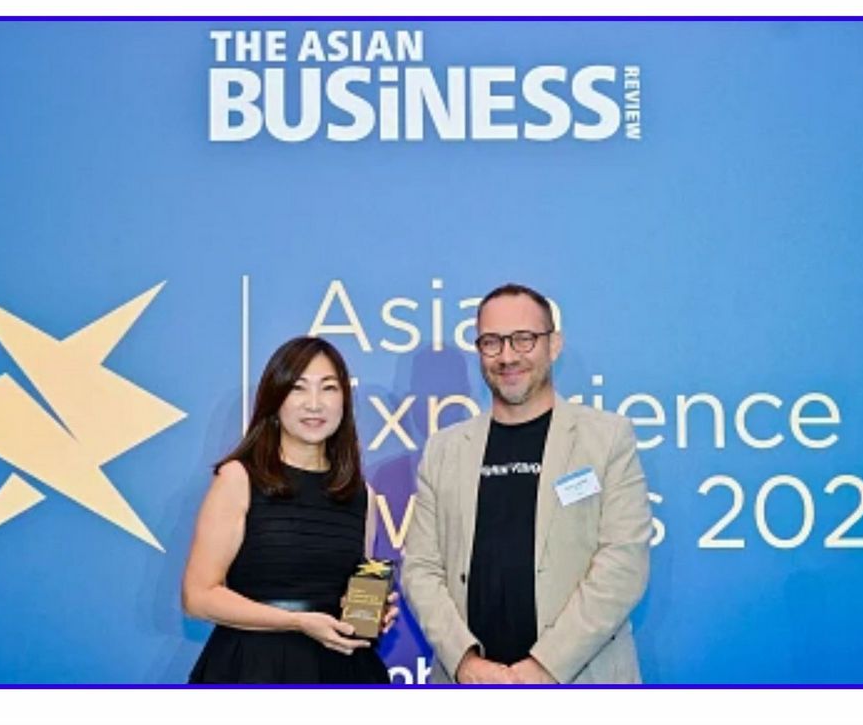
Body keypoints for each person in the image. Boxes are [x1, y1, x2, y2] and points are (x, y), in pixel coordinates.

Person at [403, 283, 651, 684]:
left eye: (524, 339)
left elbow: (623, 565)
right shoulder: (444, 449)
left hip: (581, 681)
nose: (507, 356)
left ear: (554, 345)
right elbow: (420, 568)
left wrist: (544, 667)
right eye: (492, 342)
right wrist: (465, 663)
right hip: (468, 687)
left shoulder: (606, 439)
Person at [184, 336, 396, 684]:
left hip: (341, 670)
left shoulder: (362, 495)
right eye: (298, 388)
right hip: (255, 668)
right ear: (276, 399)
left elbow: (350, 590)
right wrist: (297, 622)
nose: (314, 404)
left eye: (328, 388)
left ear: (344, 400)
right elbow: (198, 596)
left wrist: (370, 611)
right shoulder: (239, 478)